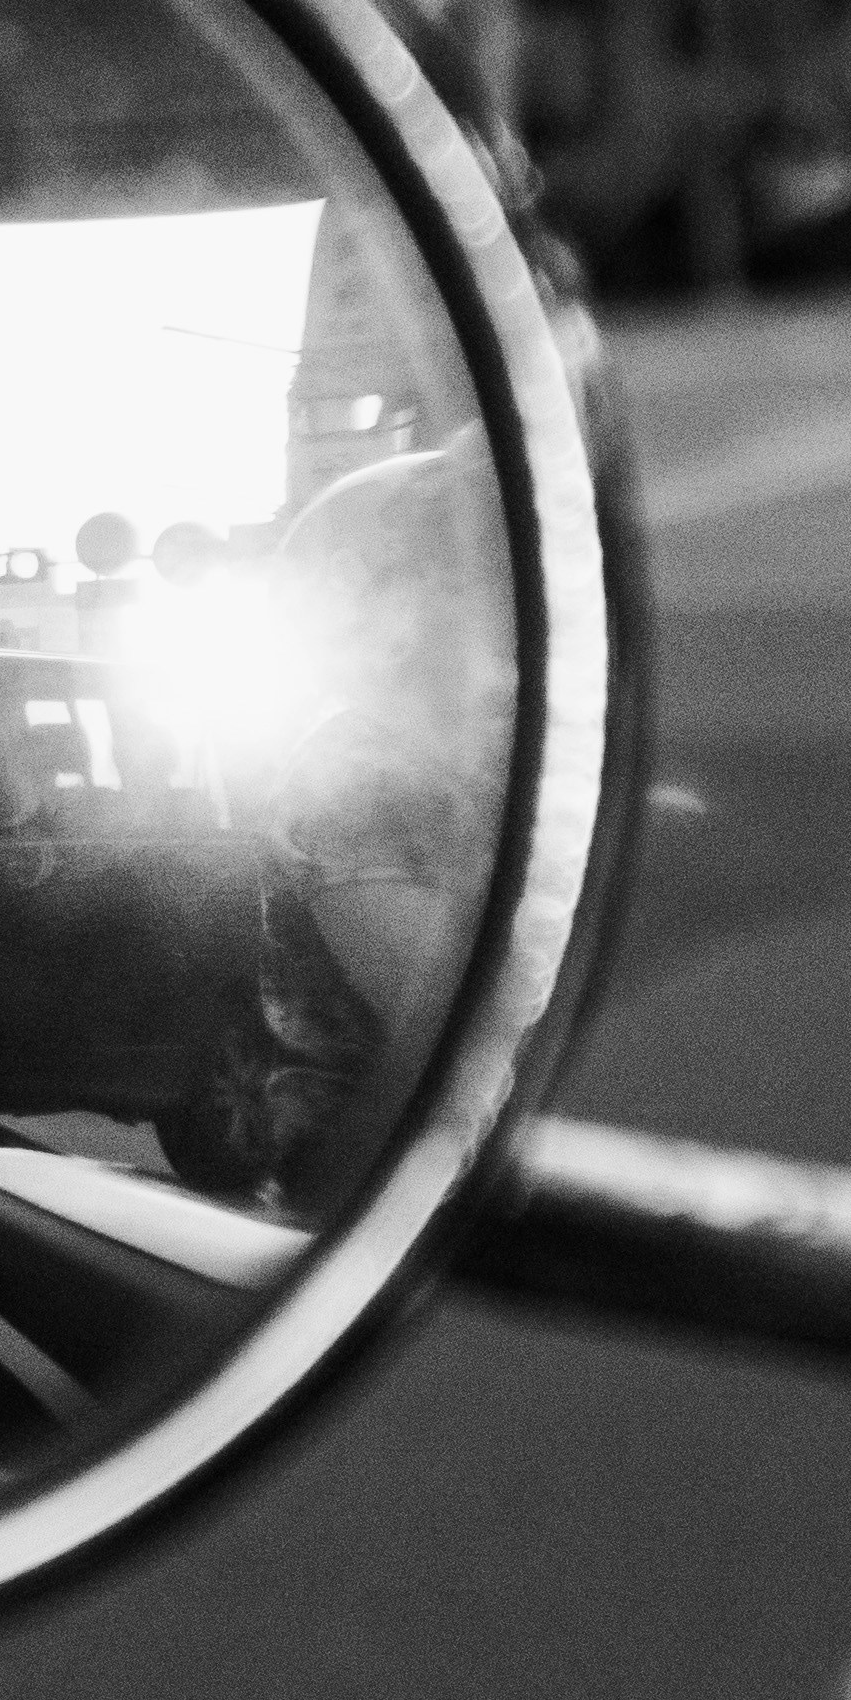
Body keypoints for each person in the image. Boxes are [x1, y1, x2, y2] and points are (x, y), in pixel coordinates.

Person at [247, 446, 500, 1196]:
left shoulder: (485, 757)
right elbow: (460, 1006)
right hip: (376, 1197)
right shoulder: (351, 784)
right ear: (378, 605)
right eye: (465, 569)